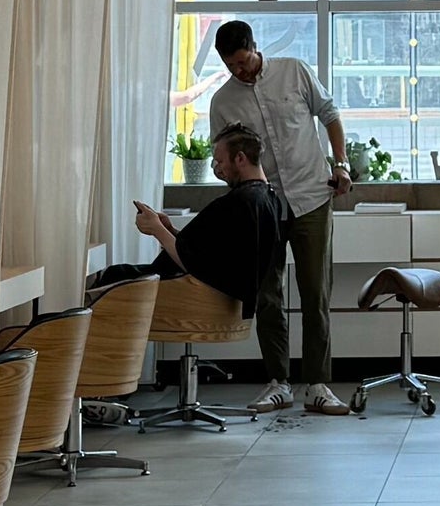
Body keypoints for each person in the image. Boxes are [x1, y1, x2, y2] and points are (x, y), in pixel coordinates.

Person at [203, 19, 351, 412]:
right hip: (263, 207)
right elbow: (224, 161)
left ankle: (318, 384)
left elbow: (330, 114)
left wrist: (342, 165)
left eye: (243, 60)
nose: (239, 70)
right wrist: (226, 175)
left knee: (315, 292)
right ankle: (278, 382)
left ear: (255, 46)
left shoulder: (294, 72)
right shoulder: (222, 102)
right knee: (268, 294)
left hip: (311, 197)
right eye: (230, 65)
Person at [134, 128, 316, 410]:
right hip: (195, 289)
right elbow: (210, 255)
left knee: (103, 286)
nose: (216, 169)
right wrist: (171, 229)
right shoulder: (266, 199)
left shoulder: (239, 203)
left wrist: (158, 231)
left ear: (240, 158)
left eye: (219, 161)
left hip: (185, 296)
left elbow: (196, 265)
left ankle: (91, 393)